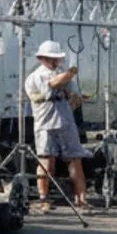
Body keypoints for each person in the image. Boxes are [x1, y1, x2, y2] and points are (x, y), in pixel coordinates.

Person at [24, 41, 91, 215]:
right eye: (52, 59)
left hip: (66, 123)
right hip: (45, 124)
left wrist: (77, 97)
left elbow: (73, 92)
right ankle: (43, 199)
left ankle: (82, 199)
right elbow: (52, 84)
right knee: (47, 162)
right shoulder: (36, 76)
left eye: (58, 59)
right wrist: (70, 73)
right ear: (41, 58)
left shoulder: (63, 74)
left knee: (75, 159)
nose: (55, 62)